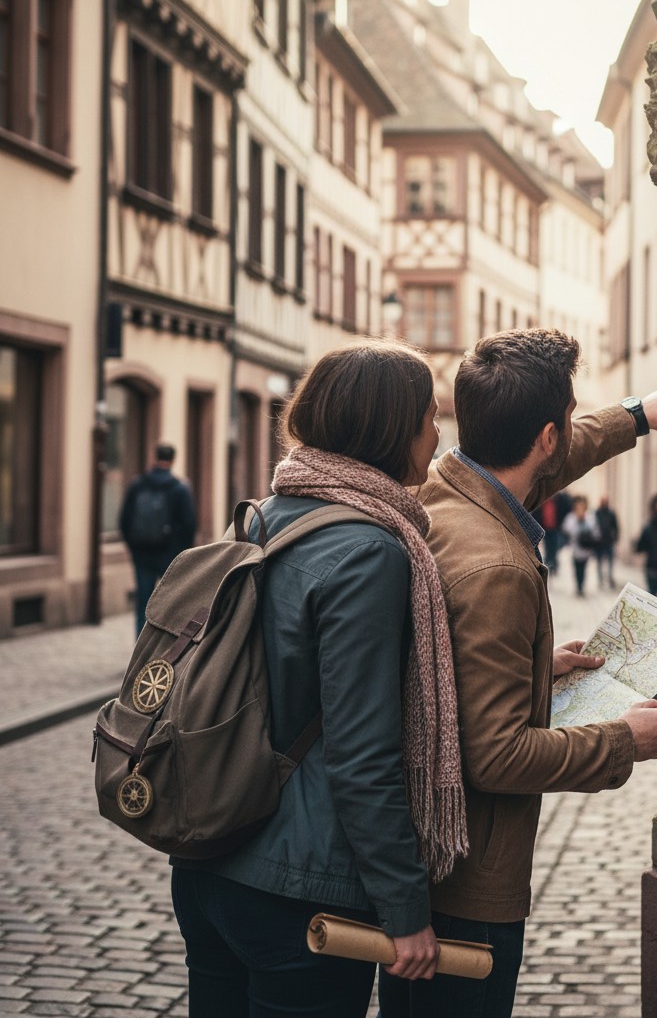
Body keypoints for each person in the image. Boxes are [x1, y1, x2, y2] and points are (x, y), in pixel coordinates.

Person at [378, 328, 657, 1018]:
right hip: (468, 887)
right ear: (544, 436)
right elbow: (496, 755)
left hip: (429, 865)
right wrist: (625, 740)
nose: (565, 436)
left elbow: (550, 462)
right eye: (564, 422)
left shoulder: (447, 486)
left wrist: (635, 416)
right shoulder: (498, 569)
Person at [169, 343, 468, 1018]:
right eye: (428, 416)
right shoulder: (370, 551)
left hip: (209, 861)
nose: (437, 432)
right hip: (297, 893)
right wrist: (405, 907)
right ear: (391, 428)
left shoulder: (264, 516)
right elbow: (363, 757)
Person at [119, 443, 197, 635]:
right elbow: (189, 525)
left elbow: (124, 520)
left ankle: (140, 649)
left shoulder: (138, 484)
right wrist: (180, 553)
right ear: (172, 460)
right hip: (169, 557)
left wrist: (134, 547)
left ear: (155, 457)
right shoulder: (179, 488)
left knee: (143, 603)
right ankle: (162, 648)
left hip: (142, 554)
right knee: (169, 604)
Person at [560, 494, 601, 596]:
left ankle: (581, 586)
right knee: (576, 568)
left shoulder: (590, 517)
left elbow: (595, 532)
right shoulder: (571, 517)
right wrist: (578, 521)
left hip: (585, 549)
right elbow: (567, 530)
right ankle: (578, 585)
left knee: (583, 568)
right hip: (575, 549)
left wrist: (584, 522)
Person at [530, 490, 571, 573]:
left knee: (555, 547)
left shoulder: (559, 501)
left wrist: (561, 523)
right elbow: (536, 514)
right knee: (548, 547)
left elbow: (564, 511)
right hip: (545, 529)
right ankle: (549, 563)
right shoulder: (542, 503)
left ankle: (554, 564)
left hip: (555, 528)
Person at [593, 495, 620, 588]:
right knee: (599, 562)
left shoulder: (611, 513)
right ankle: (600, 579)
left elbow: (616, 526)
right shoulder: (596, 513)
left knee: (610, 562)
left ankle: (610, 578)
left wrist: (615, 537)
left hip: (609, 541)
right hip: (599, 543)